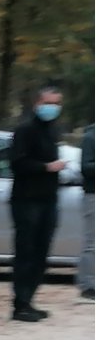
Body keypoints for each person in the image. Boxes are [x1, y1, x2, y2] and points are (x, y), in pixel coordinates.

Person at [9, 87, 67, 321]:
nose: (51, 108)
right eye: (48, 103)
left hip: (48, 198)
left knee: (42, 252)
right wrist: (45, 167)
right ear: (37, 104)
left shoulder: (53, 131)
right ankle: (20, 303)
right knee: (26, 251)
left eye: (56, 103)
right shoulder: (25, 130)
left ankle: (30, 299)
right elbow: (17, 163)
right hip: (26, 199)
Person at [78, 123, 93, 301]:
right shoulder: (91, 137)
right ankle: (89, 286)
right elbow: (86, 167)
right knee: (92, 244)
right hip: (93, 195)